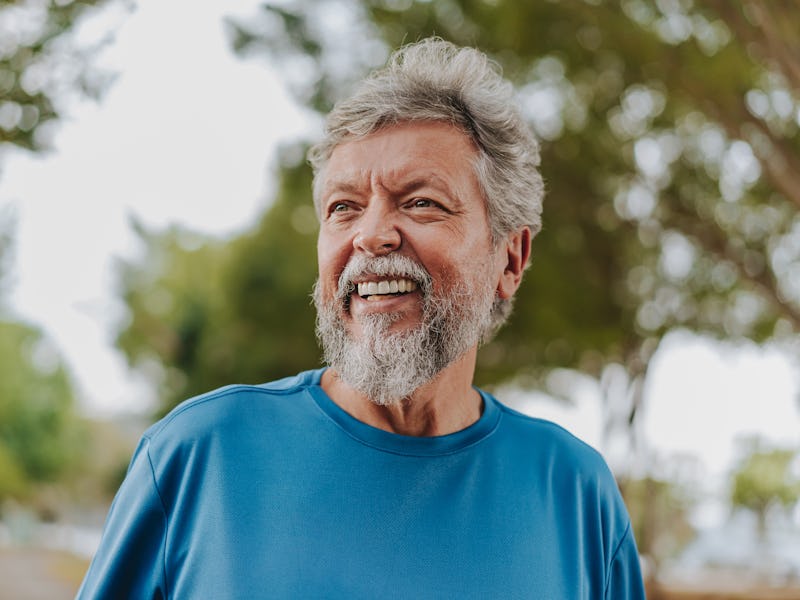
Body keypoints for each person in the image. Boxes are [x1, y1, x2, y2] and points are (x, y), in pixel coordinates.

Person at [77, 38, 646, 599]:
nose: (371, 235)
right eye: (343, 208)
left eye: (421, 201)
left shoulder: (576, 494)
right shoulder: (196, 456)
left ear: (511, 258)